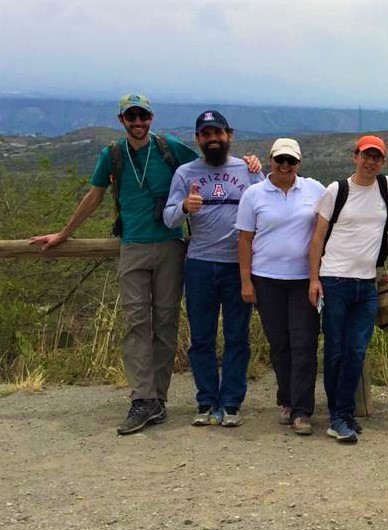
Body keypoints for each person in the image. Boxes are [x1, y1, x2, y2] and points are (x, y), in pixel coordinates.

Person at [30, 94, 198, 435]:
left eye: (142, 116)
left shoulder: (170, 147)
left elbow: (210, 166)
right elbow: (94, 195)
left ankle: (158, 401)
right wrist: (64, 233)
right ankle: (142, 398)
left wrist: (250, 164)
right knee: (136, 321)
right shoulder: (113, 155)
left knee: (165, 323)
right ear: (121, 120)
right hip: (132, 246)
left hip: (169, 245)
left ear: (151, 118)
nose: (137, 122)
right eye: (130, 117)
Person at [164, 110, 264, 428]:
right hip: (200, 265)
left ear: (228, 135)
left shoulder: (247, 170)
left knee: (237, 337)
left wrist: (260, 169)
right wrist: (183, 207)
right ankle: (207, 400)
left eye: (217, 133)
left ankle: (231, 402)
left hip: (238, 266)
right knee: (202, 338)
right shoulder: (185, 173)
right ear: (198, 139)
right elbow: (168, 218)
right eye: (206, 134)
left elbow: (270, 204)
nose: (212, 139)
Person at [307, 135, 388, 443]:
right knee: (335, 350)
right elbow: (317, 239)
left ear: (383, 162)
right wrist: (313, 279)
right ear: (355, 156)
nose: (371, 161)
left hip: (367, 283)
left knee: (356, 350)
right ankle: (339, 415)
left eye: (377, 157)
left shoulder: (385, 187)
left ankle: (342, 413)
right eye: (366, 155)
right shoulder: (337, 190)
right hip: (334, 280)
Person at [236, 138, 325, 430]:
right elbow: (245, 239)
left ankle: (302, 410)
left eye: (291, 162)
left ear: (299, 163)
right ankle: (286, 399)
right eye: (280, 160)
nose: (285, 166)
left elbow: (335, 220)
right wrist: (246, 281)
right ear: (270, 160)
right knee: (280, 344)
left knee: (304, 343)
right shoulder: (254, 194)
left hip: (303, 280)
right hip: (266, 280)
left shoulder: (314, 189)